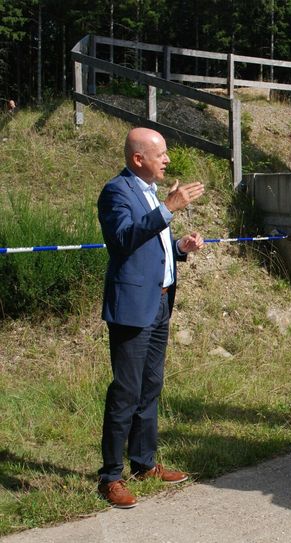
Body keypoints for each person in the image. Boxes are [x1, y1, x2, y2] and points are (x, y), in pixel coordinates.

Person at [96, 127, 205, 508]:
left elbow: (150, 247)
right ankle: (110, 476)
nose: (168, 159)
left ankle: (143, 463)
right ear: (138, 159)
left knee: (150, 387)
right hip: (132, 307)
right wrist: (169, 209)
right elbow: (122, 241)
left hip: (160, 303)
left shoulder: (150, 192)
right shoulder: (116, 192)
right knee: (125, 392)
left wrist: (179, 247)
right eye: (161, 153)